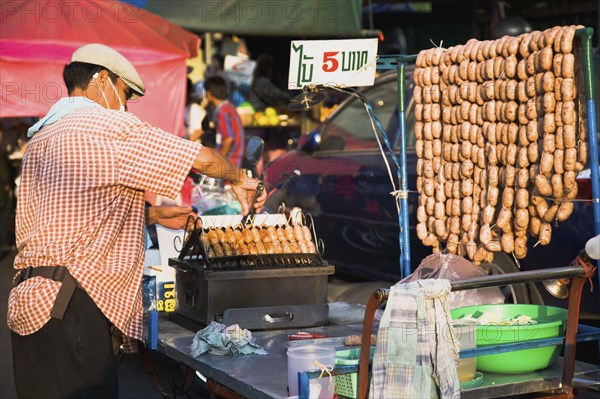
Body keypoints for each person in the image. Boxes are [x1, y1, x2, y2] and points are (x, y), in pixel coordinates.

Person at [8, 43, 266, 399]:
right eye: (125, 93)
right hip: (71, 308)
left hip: (28, 302)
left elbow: (74, 212)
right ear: (101, 80)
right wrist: (240, 178)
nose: (125, 105)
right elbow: (200, 158)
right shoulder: (107, 125)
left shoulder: (41, 137)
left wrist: (155, 215)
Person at [247, 54, 294, 162]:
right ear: (267, 67)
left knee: (260, 150)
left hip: (258, 118)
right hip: (261, 118)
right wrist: (289, 97)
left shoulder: (256, 80)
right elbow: (276, 94)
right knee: (266, 148)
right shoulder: (262, 81)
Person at [204, 76, 245, 167]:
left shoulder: (222, 111)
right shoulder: (229, 106)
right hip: (237, 155)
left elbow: (228, 139)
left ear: (209, 92)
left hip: (231, 158)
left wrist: (219, 161)